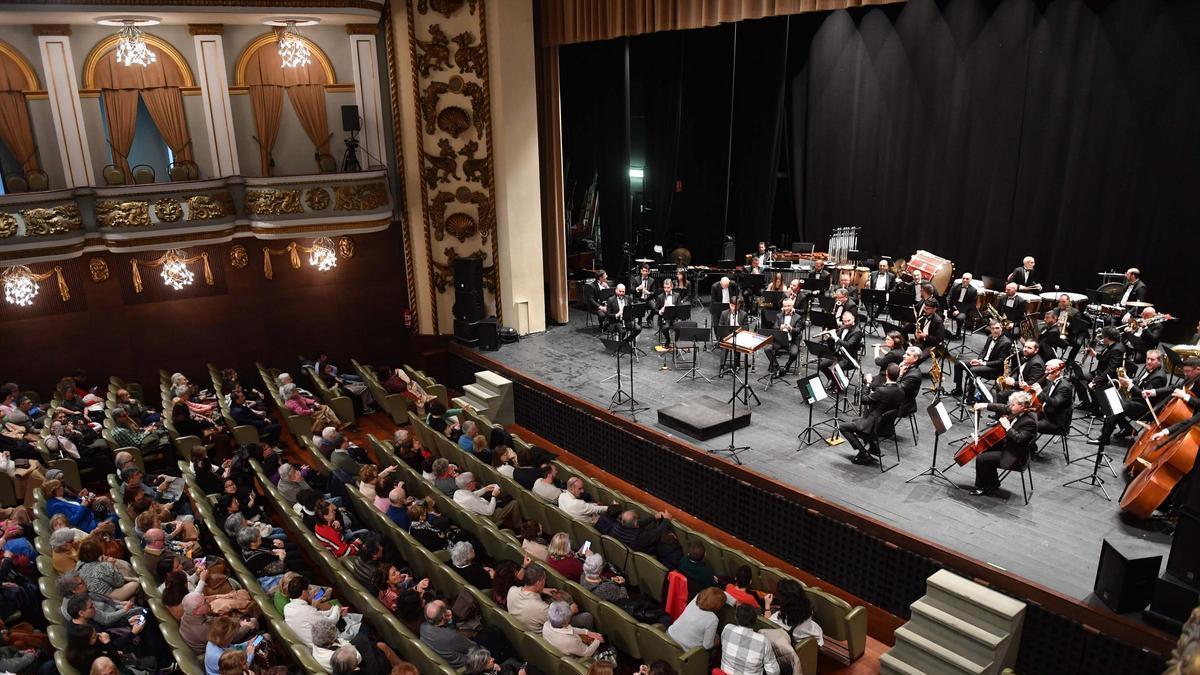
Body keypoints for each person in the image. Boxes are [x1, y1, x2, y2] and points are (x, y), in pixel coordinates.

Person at [1090, 349, 1170, 448]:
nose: (1149, 361)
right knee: (1114, 398)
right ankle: (1127, 429)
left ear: (1159, 361)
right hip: (1137, 402)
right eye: (1148, 358)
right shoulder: (1151, 368)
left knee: (1119, 406)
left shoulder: (1159, 377)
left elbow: (1144, 395)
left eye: (1152, 359)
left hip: (1146, 408)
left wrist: (1130, 386)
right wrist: (1129, 379)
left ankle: (1104, 438)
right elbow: (1141, 380)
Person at [970, 392, 1039, 496]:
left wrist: (1007, 427)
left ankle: (982, 487)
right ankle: (993, 483)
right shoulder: (1019, 410)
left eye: (1013, 405)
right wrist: (985, 405)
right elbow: (1002, 407)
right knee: (986, 449)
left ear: (1022, 406)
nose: (1010, 407)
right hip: (1009, 447)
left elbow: (1019, 439)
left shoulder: (1030, 422)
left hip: (1016, 456)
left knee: (981, 458)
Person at [842, 364, 905, 466]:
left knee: (843, 427)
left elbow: (863, 400)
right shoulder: (901, 391)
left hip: (873, 426)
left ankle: (863, 453)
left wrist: (867, 383)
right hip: (886, 426)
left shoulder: (881, 391)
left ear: (887, 374)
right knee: (855, 420)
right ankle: (874, 448)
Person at [506, 563, 593, 631]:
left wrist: (541, 590)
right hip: (547, 636)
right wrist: (571, 610)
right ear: (538, 583)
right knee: (586, 617)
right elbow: (560, 622)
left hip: (527, 625)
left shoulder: (511, 591)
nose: (544, 583)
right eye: (544, 581)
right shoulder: (541, 608)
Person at [180, 592, 256, 655]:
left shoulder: (189, 615)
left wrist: (238, 621)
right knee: (254, 622)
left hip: (220, 640)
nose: (208, 602)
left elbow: (214, 620)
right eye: (204, 602)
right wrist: (246, 627)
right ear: (197, 611)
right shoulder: (202, 629)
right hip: (222, 651)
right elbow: (229, 640)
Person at [283, 574, 347, 647]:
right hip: (320, 645)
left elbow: (314, 615)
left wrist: (331, 611)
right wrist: (336, 608)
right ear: (304, 593)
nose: (311, 591)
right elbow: (331, 622)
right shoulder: (307, 610)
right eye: (309, 589)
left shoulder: (287, 607)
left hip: (308, 642)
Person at [952, 321, 1010, 399]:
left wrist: (983, 363)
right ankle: (958, 390)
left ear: (1001, 328)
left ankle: (970, 397)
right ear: (990, 329)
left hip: (994, 369)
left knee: (973, 370)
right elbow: (983, 351)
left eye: (997, 328)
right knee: (959, 363)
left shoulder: (1006, 342)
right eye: (993, 328)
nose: (995, 330)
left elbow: (1000, 362)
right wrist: (979, 360)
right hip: (983, 362)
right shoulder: (990, 337)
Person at [721, 603, 783, 675]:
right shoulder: (763, 641)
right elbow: (773, 672)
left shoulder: (728, 628)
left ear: (735, 617)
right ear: (755, 620)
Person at [667, 587, 726, 651]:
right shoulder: (713, 619)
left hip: (668, 636)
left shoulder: (695, 599)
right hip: (683, 651)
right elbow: (707, 646)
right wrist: (716, 639)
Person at [454, 472, 520, 528]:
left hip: (481, 512)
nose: (475, 482)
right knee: (514, 503)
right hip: (488, 518)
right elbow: (489, 512)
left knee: (501, 505)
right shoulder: (469, 499)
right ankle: (518, 529)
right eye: (474, 481)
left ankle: (509, 523)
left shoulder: (457, 493)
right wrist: (494, 496)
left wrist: (485, 489)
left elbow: (472, 495)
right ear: (469, 484)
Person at [818, 312, 863, 391]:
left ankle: (839, 384)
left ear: (853, 319)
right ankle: (833, 380)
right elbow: (835, 339)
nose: (846, 323)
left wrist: (836, 338)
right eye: (844, 321)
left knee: (836, 368)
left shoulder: (857, 332)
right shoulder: (843, 327)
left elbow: (848, 345)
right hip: (838, 354)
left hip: (848, 358)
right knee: (822, 365)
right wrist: (828, 336)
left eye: (848, 321)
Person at [994, 339, 1046, 403]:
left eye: (1029, 348)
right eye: (1025, 346)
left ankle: (1004, 411)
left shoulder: (1037, 364)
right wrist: (1011, 378)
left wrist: (1013, 383)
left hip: (1027, 392)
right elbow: (1019, 371)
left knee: (1001, 394)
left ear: (1036, 350)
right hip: (1020, 384)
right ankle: (1006, 409)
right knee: (999, 386)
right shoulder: (1027, 356)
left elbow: (1032, 383)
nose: (1025, 349)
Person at [1029, 359, 1073, 435]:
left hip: (1054, 421)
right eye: (1046, 369)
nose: (1045, 372)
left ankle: (1030, 446)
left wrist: (1040, 392)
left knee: (1029, 426)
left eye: (1048, 370)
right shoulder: (1051, 381)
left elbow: (1055, 402)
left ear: (1057, 372)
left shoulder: (1064, 387)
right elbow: (1042, 396)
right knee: (1023, 419)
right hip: (1045, 413)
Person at [608, 509, 673, 554]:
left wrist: (654, 517)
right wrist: (667, 519)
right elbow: (658, 532)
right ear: (636, 525)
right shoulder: (639, 538)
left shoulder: (616, 527)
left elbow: (636, 524)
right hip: (648, 552)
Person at [765, 299, 801, 374]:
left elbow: (798, 331)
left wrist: (791, 328)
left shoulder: (798, 317)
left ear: (792, 306)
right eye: (785, 306)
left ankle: (787, 366)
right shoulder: (779, 315)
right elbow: (774, 328)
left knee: (794, 353)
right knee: (767, 349)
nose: (787, 308)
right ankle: (777, 368)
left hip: (791, 341)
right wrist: (780, 328)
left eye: (788, 306)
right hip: (779, 341)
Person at [947, 274, 979, 338]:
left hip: (963, 310)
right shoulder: (955, 286)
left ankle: (958, 332)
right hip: (953, 307)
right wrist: (947, 307)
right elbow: (949, 298)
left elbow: (971, 305)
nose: (964, 280)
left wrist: (959, 310)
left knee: (960, 318)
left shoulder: (973, 291)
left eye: (967, 279)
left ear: (970, 280)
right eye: (963, 278)